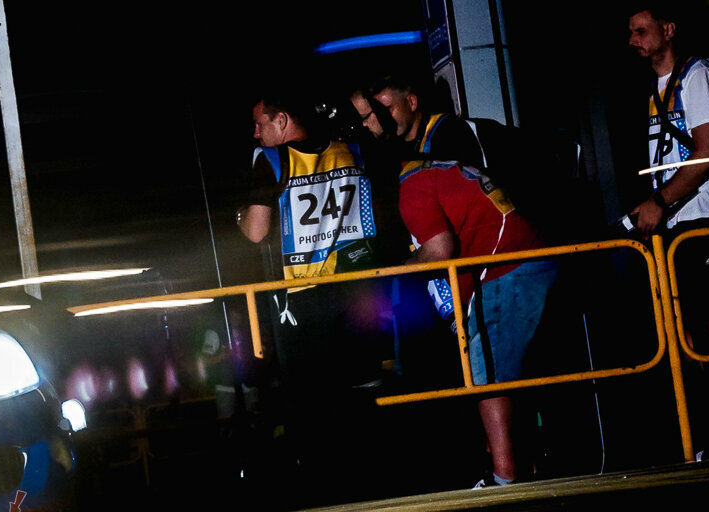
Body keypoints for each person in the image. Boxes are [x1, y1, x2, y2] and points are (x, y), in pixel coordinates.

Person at [624, 6, 709, 461]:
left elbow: (707, 153)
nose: (634, 41)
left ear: (668, 30)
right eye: (631, 33)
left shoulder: (697, 75)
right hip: (681, 222)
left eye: (641, 31)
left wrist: (660, 201)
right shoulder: (657, 88)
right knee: (701, 326)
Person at [394, 142, 556, 487]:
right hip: (527, 257)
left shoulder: (411, 184)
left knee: (488, 378)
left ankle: (504, 477)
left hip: (506, 265)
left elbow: (439, 250)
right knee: (510, 378)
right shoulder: (438, 169)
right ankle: (520, 468)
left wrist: (397, 271)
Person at [236, 92, 392, 390]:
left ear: (281, 120)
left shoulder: (271, 159)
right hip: (361, 290)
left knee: (314, 395)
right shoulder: (352, 152)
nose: (255, 133)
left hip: (304, 298)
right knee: (366, 386)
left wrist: (240, 217)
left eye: (259, 124)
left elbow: (256, 231)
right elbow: (377, 215)